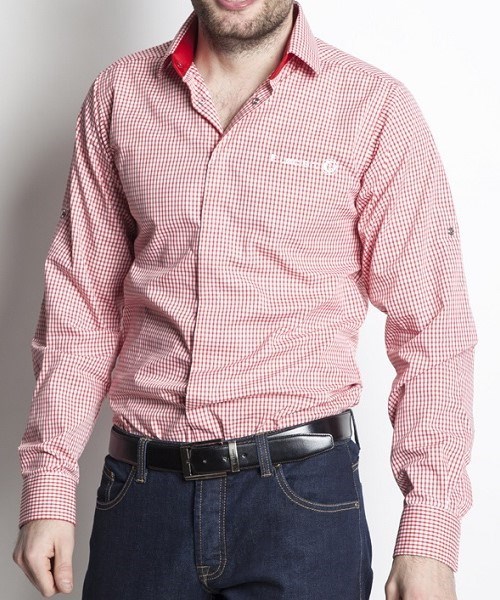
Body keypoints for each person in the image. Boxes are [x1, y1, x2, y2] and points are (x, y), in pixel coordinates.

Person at [13, 1, 477, 598]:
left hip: (303, 507)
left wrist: (430, 532)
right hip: (142, 501)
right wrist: (48, 485)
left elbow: (432, 327)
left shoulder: (374, 109)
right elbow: (82, 306)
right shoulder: (118, 96)